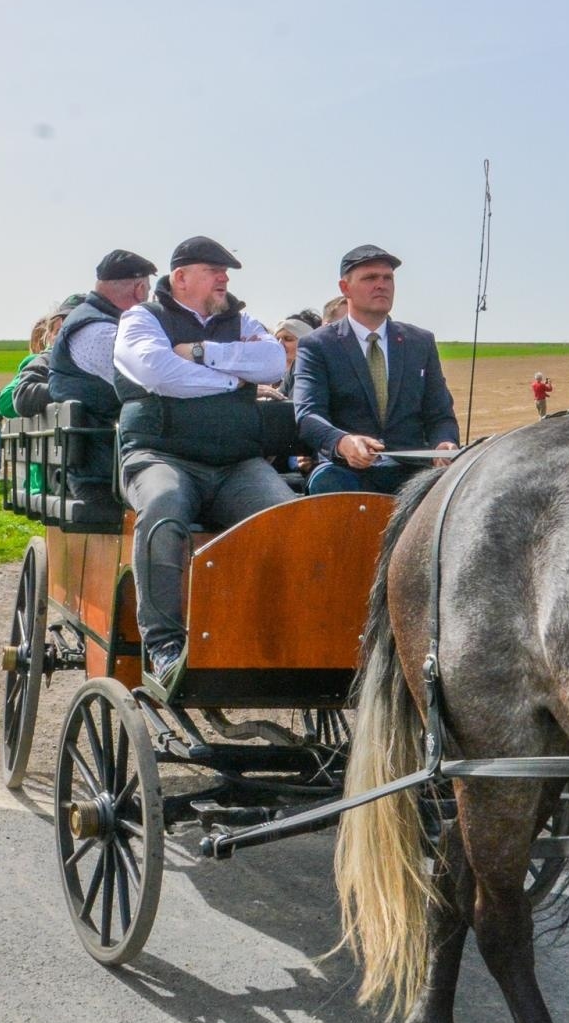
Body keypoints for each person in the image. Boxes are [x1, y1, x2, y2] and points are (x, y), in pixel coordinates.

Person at [113, 235, 297, 692]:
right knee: (162, 510)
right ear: (180, 278)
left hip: (237, 462)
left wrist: (203, 354)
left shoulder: (240, 319)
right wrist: (238, 381)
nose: (224, 279)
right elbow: (159, 373)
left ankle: (268, 634)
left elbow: (273, 361)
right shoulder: (142, 319)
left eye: (226, 273)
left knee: (288, 518)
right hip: (161, 454)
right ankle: (164, 647)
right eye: (213, 271)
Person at [294, 244, 460, 496]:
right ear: (345, 288)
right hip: (345, 472)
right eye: (370, 278)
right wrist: (343, 442)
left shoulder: (420, 342)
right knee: (327, 485)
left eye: (388, 278)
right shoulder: (317, 345)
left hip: (413, 471)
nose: (381, 284)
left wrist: (444, 444)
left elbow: (440, 415)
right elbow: (308, 416)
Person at [48, 250, 159, 497]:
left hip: (102, 460)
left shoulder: (93, 321)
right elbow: (154, 382)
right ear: (140, 289)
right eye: (148, 290)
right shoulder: (98, 331)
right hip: (104, 471)